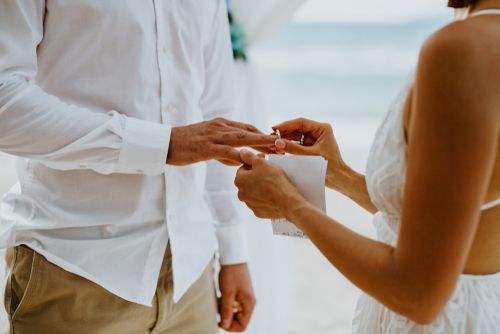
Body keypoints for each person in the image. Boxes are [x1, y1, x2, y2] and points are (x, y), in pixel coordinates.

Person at [0, 1, 277, 333]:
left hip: (193, 278)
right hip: (73, 269)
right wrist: (162, 144)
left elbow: (215, 113)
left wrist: (233, 252)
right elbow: (5, 102)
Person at [234, 0, 500, 332]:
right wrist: (338, 174)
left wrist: (288, 203)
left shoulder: (462, 49)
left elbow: (417, 295)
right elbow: (452, 222)